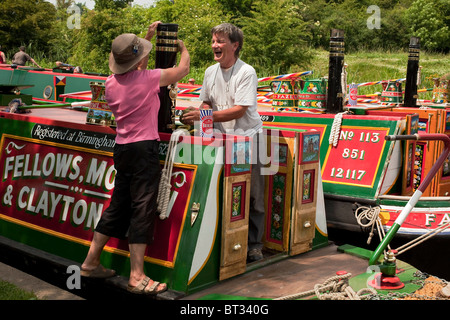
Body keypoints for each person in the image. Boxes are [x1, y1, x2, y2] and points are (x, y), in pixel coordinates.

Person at [80, 21, 190, 295]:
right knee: (142, 209)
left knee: (118, 205)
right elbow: (183, 70)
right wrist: (183, 47)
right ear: (140, 61)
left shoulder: (110, 83)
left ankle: (91, 261)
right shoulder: (149, 78)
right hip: (144, 150)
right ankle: (137, 275)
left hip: (123, 149)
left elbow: (135, 66)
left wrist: (148, 37)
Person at [181, 23, 266, 262]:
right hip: (222, 139)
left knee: (253, 195)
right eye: (213, 41)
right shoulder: (210, 72)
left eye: (220, 41)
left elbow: (239, 111)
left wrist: (203, 116)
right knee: (222, 190)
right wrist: (204, 121)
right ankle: (225, 241)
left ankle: (254, 245)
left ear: (235, 45)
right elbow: (206, 101)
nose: (215, 46)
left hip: (249, 137)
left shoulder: (246, 72)